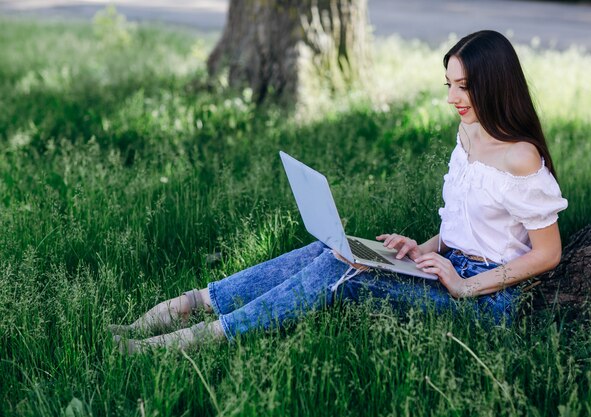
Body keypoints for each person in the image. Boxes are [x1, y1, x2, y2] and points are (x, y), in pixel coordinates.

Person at [110, 30, 567, 354]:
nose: (452, 97)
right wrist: (420, 249)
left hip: (489, 301)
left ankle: (201, 338)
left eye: (463, 86)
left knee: (346, 271)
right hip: (446, 269)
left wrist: (465, 286)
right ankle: (195, 304)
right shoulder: (468, 135)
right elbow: (463, 227)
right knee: (338, 249)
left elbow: (547, 254)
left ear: (495, 85)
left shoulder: (521, 158)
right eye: (448, 84)